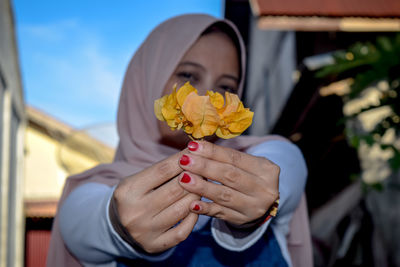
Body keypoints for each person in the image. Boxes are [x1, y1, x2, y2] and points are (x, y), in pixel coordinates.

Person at [47, 14, 312, 267]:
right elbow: (87, 221)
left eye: (227, 87)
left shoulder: (271, 155)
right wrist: (117, 222)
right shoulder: (89, 195)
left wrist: (251, 206)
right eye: (188, 76)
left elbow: (283, 172)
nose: (207, 97)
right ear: (146, 79)